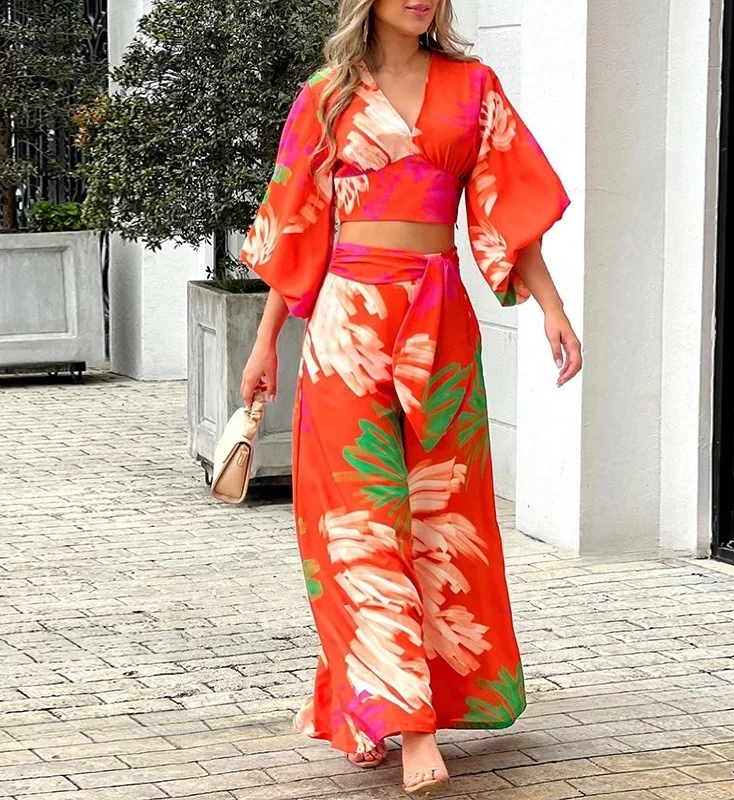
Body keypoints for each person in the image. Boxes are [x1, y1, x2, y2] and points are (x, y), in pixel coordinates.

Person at [239, 0, 582, 795]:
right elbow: (296, 226)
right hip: (347, 325)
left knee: (437, 514)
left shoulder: (474, 87)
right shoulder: (327, 94)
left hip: (439, 321)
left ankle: (354, 695)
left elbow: (508, 210)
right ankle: (410, 724)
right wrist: (263, 346)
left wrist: (552, 307)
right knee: (360, 517)